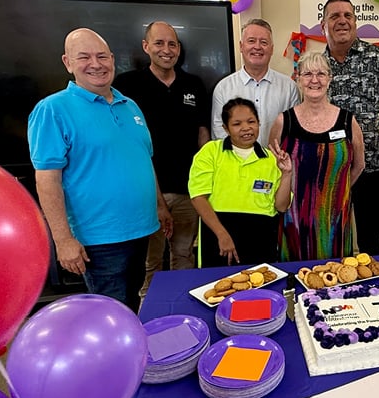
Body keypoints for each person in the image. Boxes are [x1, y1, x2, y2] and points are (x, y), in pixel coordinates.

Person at [28, 27, 171, 313]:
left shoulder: (129, 105)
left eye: (102, 56)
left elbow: (144, 160)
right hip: (100, 240)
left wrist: (160, 205)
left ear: (112, 59)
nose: (96, 64)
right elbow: (47, 180)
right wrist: (63, 240)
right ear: (68, 63)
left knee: (132, 302)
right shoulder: (53, 110)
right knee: (111, 313)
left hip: (141, 229)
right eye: (84, 57)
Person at [113, 21, 209, 298]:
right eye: (159, 43)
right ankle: (151, 322)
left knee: (183, 256)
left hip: (188, 191)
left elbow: (203, 135)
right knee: (150, 263)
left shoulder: (193, 84)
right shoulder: (127, 86)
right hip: (146, 193)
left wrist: (201, 184)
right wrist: (156, 200)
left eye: (172, 44)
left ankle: (182, 312)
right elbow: (127, 145)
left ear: (179, 49)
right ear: (146, 46)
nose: (166, 50)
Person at [321, 0, 379, 256]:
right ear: (323, 24)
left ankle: (374, 292)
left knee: (371, 241)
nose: (342, 21)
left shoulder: (378, 58)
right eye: (335, 16)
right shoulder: (316, 67)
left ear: (355, 22)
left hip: (372, 168)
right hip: (329, 173)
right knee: (330, 241)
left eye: (348, 15)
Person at [269, 51, 365, 262]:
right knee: (296, 279)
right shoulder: (283, 122)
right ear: (298, 78)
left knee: (336, 281)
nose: (315, 80)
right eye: (308, 74)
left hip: (335, 221)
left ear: (330, 79)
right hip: (294, 221)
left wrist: (338, 190)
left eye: (321, 74)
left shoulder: (348, 121)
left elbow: (359, 165)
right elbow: (272, 169)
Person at [189, 97, 292, 267]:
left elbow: (281, 206)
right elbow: (198, 197)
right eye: (237, 124)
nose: (246, 128)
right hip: (219, 237)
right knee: (217, 289)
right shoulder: (211, 152)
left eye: (251, 121)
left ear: (259, 123)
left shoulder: (271, 158)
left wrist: (286, 173)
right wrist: (222, 235)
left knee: (260, 290)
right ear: (226, 128)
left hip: (261, 241)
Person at [211, 18, 299, 148]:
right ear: (241, 46)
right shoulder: (223, 88)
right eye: (251, 41)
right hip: (237, 166)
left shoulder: (289, 87)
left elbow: (294, 132)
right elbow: (219, 135)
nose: (257, 47)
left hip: (276, 165)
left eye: (264, 42)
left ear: (272, 49)